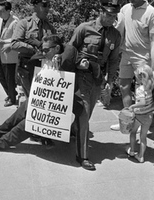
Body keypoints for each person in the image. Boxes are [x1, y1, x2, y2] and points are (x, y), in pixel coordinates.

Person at [0, 35, 82, 153]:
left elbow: (69, 53)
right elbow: (35, 57)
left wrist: (59, 57)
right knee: (19, 113)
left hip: (58, 104)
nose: (44, 53)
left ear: (56, 48)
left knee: (28, 123)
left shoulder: (68, 53)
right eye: (43, 49)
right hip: (44, 97)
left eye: (46, 50)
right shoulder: (48, 54)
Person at [69, 1, 121, 170]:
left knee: (87, 113)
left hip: (98, 78)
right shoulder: (84, 28)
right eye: (109, 15)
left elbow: (113, 60)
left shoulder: (115, 35)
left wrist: (110, 81)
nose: (112, 19)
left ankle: (73, 130)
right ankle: (82, 156)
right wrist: (78, 62)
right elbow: (70, 50)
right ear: (101, 12)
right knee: (83, 114)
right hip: (82, 77)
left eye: (114, 16)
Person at [110, 0, 154, 131]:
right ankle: (127, 119)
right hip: (126, 55)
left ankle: (141, 123)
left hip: (143, 59)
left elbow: (153, 41)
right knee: (124, 86)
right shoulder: (125, 8)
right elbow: (118, 31)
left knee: (142, 93)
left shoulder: (151, 12)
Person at [11, 0, 56, 98]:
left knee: (42, 101)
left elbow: (55, 47)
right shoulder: (24, 24)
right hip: (28, 68)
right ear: (35, 6)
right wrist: (35, 49)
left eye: (49, 5)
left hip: (45, 68)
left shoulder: (49, 27)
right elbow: (14, 44)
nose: (47, 9)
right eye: (44, 5)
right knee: (31, 100)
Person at [126, 64, 154, 163]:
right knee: (143, 136)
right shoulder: (151, 86)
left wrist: (132, 106)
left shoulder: (140, 89)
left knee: (133, 132)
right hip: (149, 115)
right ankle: (141, 156)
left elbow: (142, 102)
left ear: (140, 77)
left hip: (139, 115)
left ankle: (132, 151)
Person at [0, 1, 19, 107]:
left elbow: (17, 38)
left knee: (9, 78)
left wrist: (4, 42)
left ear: (9, 11)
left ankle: (12, 98)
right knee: (0, 75)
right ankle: (11, 92)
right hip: (0, 53)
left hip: (10, 54)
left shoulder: (15, 21)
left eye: (2, 11)